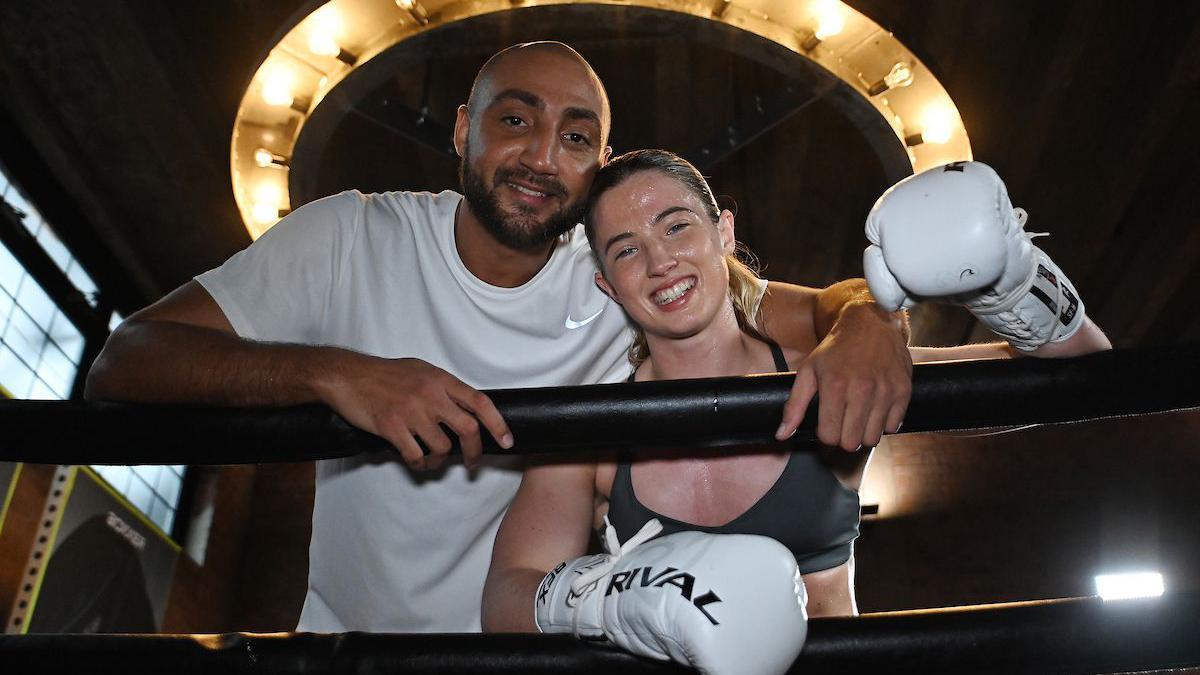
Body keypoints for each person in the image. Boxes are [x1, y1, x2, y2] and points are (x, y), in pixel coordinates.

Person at [83, 42, 914, 632]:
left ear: (599, 161)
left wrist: (874, 320)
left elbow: (816, 307)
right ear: (462, 130)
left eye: (576, 137)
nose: (542, 156)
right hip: (346, 648)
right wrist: (338, 374)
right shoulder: (348, 239)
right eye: (515, 119)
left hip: (525, 650)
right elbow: (128, 359)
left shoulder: (621, 271)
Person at [480, 151, 1110, 673]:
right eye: (626, 250)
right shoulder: (596, 427)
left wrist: (1012, 283)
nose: (659, 262)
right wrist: (625, 595)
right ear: (607, 284)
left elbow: (1079, 377)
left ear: (723, 233)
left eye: (676, 227)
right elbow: (507, 597)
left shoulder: (831, 379)